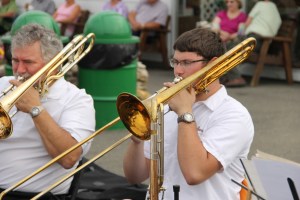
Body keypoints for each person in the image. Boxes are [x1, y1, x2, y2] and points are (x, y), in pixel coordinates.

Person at [123, 27, 254, 200]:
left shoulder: (234, 115)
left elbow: (195, 173)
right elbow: (135, 176)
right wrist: (137, 140)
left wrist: (185, 113)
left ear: (213, 64)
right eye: (175, 62)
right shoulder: (165, 105)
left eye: (186, 62)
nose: (178, 71)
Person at [0, 24, 95, 199]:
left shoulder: (77, 99)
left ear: (53, 64)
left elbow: (69, 158)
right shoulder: (3, 85)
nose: (19, 70)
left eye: (28, 62)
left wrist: (36, 109)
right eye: (15, 60)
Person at [211, 0, 247, 87]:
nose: (229, 4)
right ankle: (233, 77)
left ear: (238, 3)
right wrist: (222, 33)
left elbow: (241, 32)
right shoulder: (221, 14)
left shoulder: (242, 16)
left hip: (234, 41)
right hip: (220, 38)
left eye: (232, 2)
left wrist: (229, 36)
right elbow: (214, 27)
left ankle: (233, 77)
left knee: (229, 50)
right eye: (227, 2)